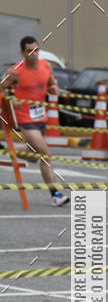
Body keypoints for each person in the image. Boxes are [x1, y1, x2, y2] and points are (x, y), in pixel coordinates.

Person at [1, 36, 69, 206]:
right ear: (22, 53)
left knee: (33, 157)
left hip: (40, 117)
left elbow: (51, 84)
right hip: (25, 119)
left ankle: (6, 148)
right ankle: (55, 194)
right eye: (29, 51)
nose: (33, 54)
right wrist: (10, 101)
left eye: (36, 50)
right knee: (45, 154)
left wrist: (55, 89)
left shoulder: (46, 66)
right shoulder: (15, 71)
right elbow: (1, 88)